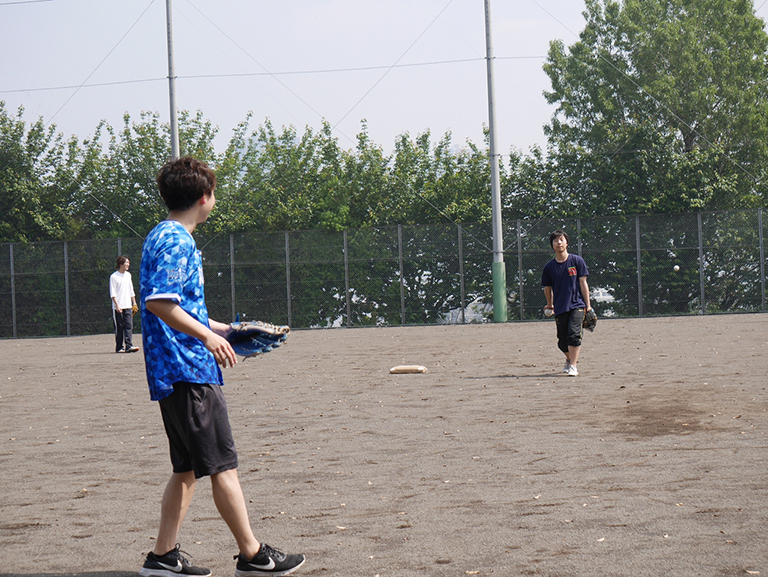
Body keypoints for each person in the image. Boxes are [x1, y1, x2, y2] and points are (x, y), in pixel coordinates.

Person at [138, 156, 305, 577]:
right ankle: (253, 556)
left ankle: (162, 557)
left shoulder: (161, 234)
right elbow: (159, 303)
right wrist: (207, 339)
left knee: (186, 469)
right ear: (203, 197)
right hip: (189, 371)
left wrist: (225, 329)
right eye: (213, 194)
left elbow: (181, 305)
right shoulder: (177, 240)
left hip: (174, 371)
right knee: (222, 465)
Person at [541, 230, 592, 377]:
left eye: (561, 239)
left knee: (574, 335)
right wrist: (550, 305)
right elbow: (548, 288)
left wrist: (588, 306)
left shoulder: (577, 261)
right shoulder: (549, 267)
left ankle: (573, 366)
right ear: (552, 245)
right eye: (555, 240)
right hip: (560, 306)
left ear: (567, 242)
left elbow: (583, 283)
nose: (559, 243)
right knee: (562, 341)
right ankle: (569, 359)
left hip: (577, 305)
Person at [110, 255, 139, 353]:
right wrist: (117, 305)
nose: (128, 264)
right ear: (120, 264)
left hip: (128, 305)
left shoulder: (128, 275)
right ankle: (119, 347)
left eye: (128, 263)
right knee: (120, 327)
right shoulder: (114, 277)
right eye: (126, 262)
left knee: (129, 325)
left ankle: (129, 346)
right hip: (118, 307)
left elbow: (131, 290)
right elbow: (113, 293)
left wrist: (134, 303)